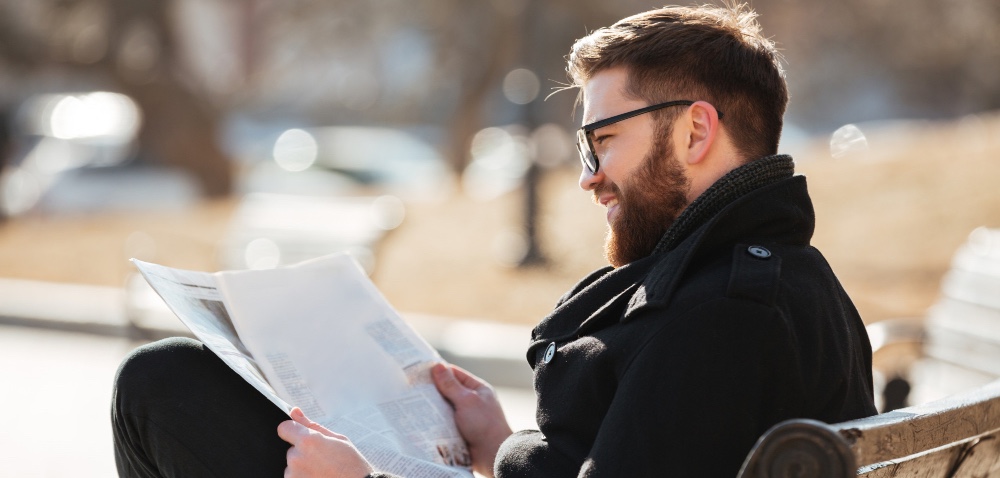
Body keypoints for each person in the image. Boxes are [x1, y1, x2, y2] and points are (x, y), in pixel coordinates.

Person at [112, 4, 878, 477]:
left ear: (695, 130)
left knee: (157, 394)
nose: (590, 177)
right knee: (180, 378)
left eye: (603, 141)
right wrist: (496, 446)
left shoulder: (723, 320)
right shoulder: (785, 284)